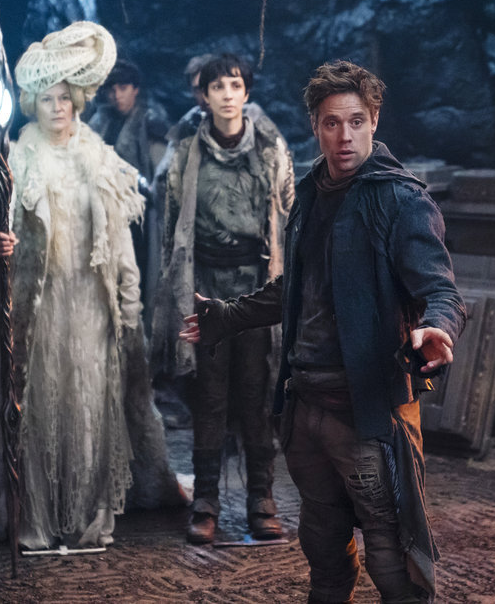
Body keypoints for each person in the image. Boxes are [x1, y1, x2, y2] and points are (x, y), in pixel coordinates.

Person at [179, 60, 467, 603]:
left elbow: (441, 289)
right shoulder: (312, 190)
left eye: (356, 121)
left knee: (391, 556)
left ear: (375, 120)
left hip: (367, 410)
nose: (345, 136)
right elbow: (300, 286)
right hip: (307, 404)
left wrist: (436, 327)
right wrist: (228, 315)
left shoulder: (401, 199)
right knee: (324, 549)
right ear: (315, 125)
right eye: (332, 123)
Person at [0, 21, 183, 550]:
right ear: (33, 104)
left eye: (65, 98)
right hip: (39, 303)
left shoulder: (99, 156)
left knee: (91, 404)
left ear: (78, 102)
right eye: (47, 99)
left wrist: (128, 303)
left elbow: (120, 241)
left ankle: (89, 513)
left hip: (90, 301)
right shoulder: (17, 156)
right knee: (42, 404)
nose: (57, 108)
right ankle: (35, 514)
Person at [152, 53, 295, 545]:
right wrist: (178, 293)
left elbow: (287, 210)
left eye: (235, 85)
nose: (228, 95)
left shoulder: (270, 149)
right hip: (206, 285)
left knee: (257, 392)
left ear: (246, 92)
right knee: (209, 396)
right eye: (218, 87)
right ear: (205, 96)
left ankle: (261, 500)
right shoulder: (187, 151)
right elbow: (171, 223)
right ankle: (206, 502)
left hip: (256, 286)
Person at [87, 58, 169, 326]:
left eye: (123, 88)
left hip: (140, 217)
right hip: (104, 210)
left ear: (135, 89)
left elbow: (160, 175)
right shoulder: (100, 121)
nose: (117, 95)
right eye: (112, 90)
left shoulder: (150, 122)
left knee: (139, 275)